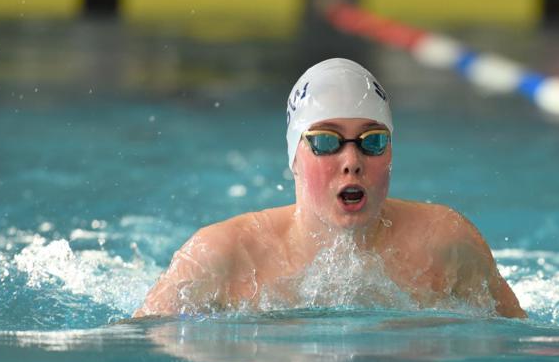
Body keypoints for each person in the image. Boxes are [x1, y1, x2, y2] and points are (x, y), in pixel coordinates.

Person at [134, 58, 525, 319]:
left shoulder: (445, 242)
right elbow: (139, 345)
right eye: (326, 141)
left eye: (372, 140)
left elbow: (518, 341)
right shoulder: (221, 256)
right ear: (294, 156)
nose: (352, 159)